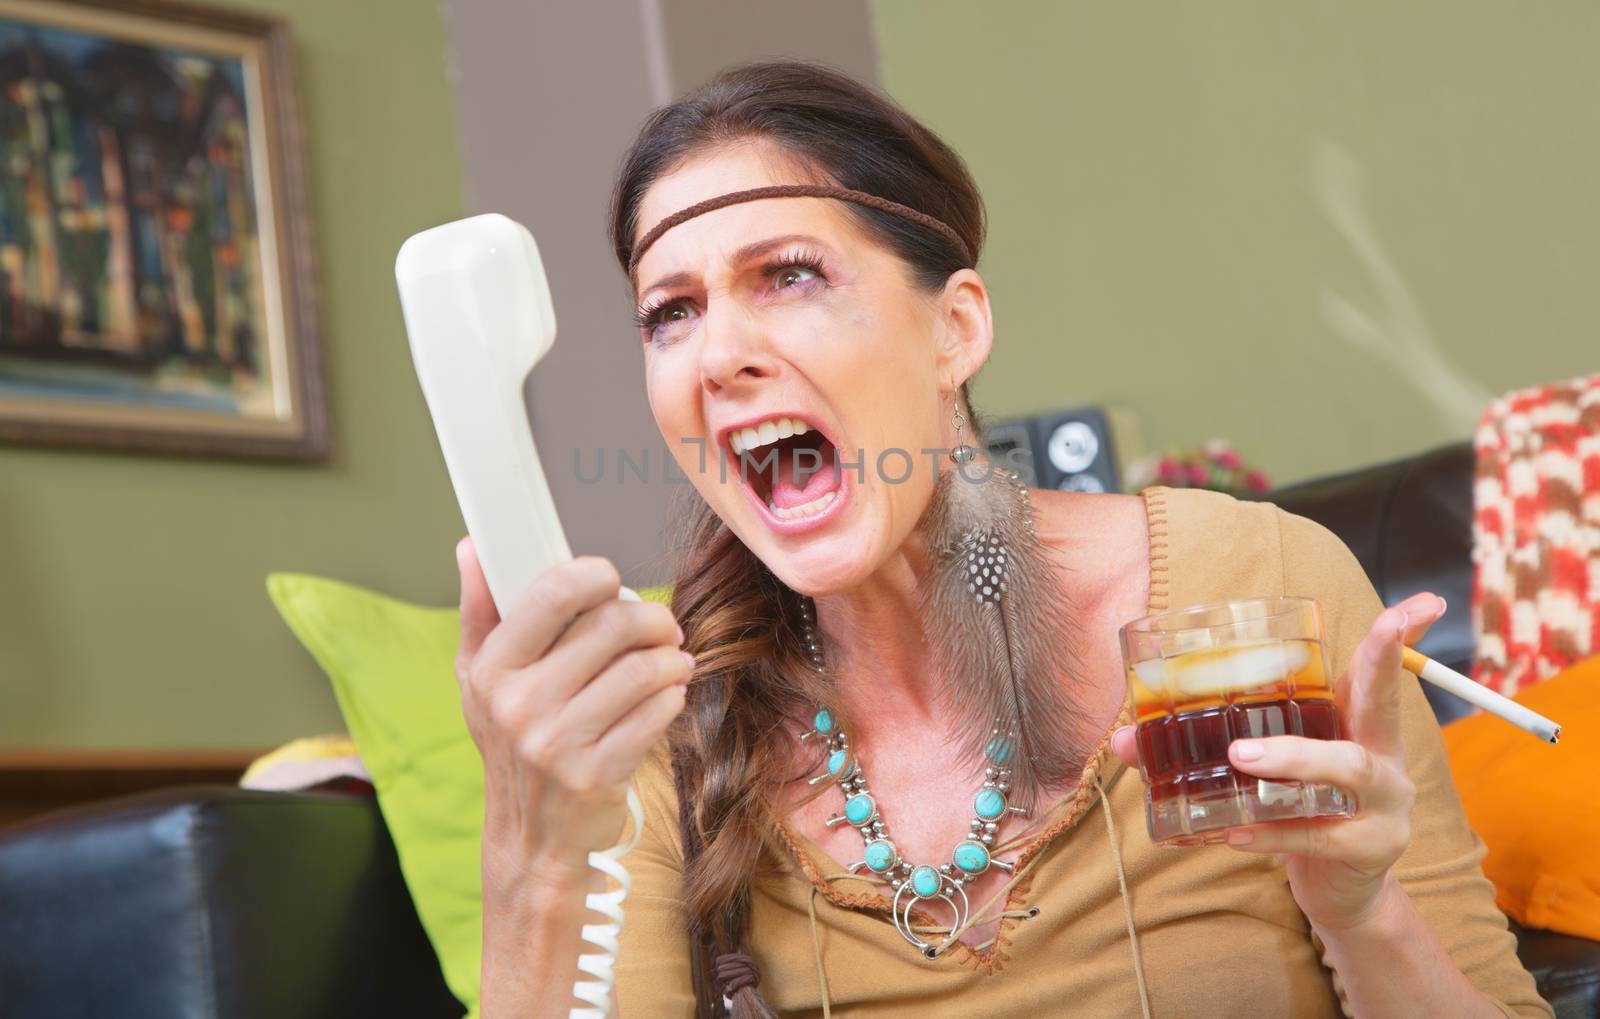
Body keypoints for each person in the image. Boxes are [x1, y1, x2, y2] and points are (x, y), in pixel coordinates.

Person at [453, 60, 1552, 1018]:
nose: (716, 352)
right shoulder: (653, 718)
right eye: (669, 312)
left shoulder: (1255, 579)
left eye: (786, 274)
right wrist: (531, 860)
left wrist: (1361, 913)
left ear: (955, 326)